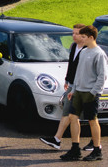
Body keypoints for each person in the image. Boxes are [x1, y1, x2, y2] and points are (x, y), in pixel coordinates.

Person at [40, 25, 95, 153]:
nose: (74, 36)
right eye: (73, 33)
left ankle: (93, 142)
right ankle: (57, 139)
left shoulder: (88, 50)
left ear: (84, 36)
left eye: (77, 34)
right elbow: (72, 65)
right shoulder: (74, 47)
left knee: (88, 116)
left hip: (83, 87)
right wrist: (67, 79)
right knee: (68, 112)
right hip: (72, 85)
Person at [60, 25, 107, 161]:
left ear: (91, 38)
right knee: (73, 117)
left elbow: (102, 76)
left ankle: (97, 150)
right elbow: (78, 74)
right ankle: (75, 149)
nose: (81, 39)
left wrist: (93, 92)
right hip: (78, 91)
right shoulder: (84, 52)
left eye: (83, 37)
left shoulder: (99, 54)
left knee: (92, 120)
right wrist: (73, 89)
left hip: (90, 93)